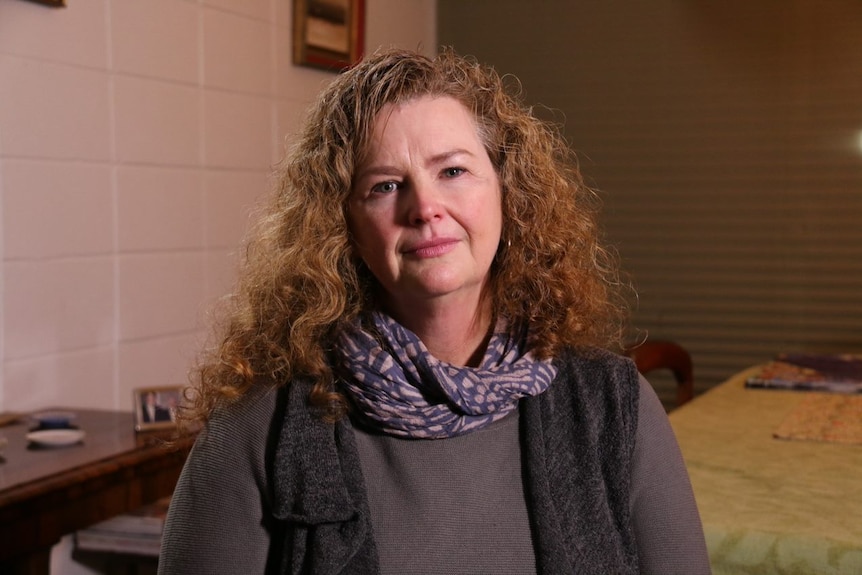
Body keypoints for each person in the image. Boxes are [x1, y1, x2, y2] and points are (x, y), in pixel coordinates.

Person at [158, 48, 710, 574]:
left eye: (452, 171)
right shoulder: (259, 424)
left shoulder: (613, 404)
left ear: (507, 191)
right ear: (341, 224)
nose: (424, 208)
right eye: (385, 185)